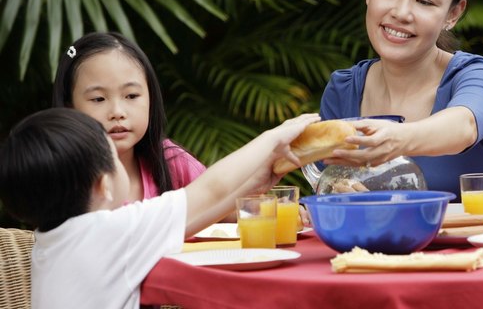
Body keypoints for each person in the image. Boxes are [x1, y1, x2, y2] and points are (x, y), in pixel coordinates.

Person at [0, 107, 318, 308]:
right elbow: (208, 190)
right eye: (116, 159)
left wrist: (254, 184)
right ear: (103, 185)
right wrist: (274, 138)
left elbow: (194, 215)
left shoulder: (49, 241)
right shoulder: (111, 233)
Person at [320, 0, 483, 203]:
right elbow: (330, 187)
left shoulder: (475, 76)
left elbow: (464, 126)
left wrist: (395, 140)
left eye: (425, 1)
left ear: (453, 14)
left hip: (475, 247)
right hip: (369, 248)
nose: (401, 12)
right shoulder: (342, 90)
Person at [52, 31, 206, 203]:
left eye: (131, 96)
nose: (117, 112)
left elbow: (232, 209)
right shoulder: (62, 184)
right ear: (69, 107)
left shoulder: (172, 162)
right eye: (98, 99)